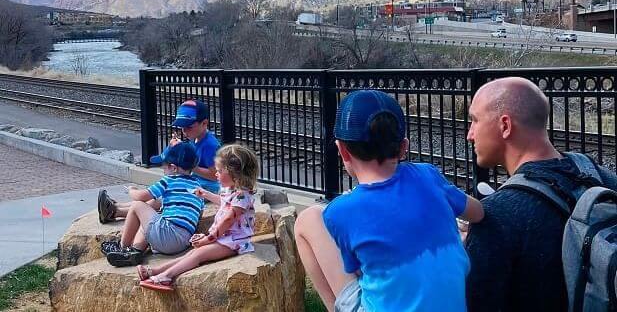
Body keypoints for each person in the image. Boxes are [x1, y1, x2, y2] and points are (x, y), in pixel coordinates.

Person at [294, 89, 484, 312]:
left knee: (307, 220)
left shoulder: (340, 212)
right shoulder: (428, 175)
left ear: (342, 151)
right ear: (404, 147)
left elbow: (354, 270)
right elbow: (478, 212)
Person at [464, 77, 617, 312]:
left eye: (475, 120)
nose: (470, 134)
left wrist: (473, 245)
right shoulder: (601, 179)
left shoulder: (496, 216)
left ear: (505, 126)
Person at [138, 144, 259, 292]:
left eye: (220, 171)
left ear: (235, 174)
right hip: (224, 238)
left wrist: (207, 239)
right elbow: (225, 202)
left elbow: (227, 220)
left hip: (234, 242)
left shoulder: (242, 196)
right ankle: (156, 271)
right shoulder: (233, 190)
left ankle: (166, 277)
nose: (216, 174)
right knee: (192, 253)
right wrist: (206, 194)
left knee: (199, 254)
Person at [98, 99, 220, 223]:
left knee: (160, 199)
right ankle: (118, 205)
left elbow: (215, 175)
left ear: (204, 123)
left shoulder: (210, 145)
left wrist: (190, 166)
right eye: (182, 127)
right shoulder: (195, 138)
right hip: (194, 183)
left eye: (189, 127)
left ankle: (115, 211)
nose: (184, 131)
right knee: (160, 195)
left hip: (206, 188)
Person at [103, 141, 205, 267]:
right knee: (149, 221)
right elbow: (199, 214)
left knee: (137, 206)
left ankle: (122, 247)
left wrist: (131, 190)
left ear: (173, 168)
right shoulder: (197, 186)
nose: (163, 170)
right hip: (183, 242)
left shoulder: (169, 180)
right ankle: (135, 251)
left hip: (168, 235)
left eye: (164, 167)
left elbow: (140, 197)